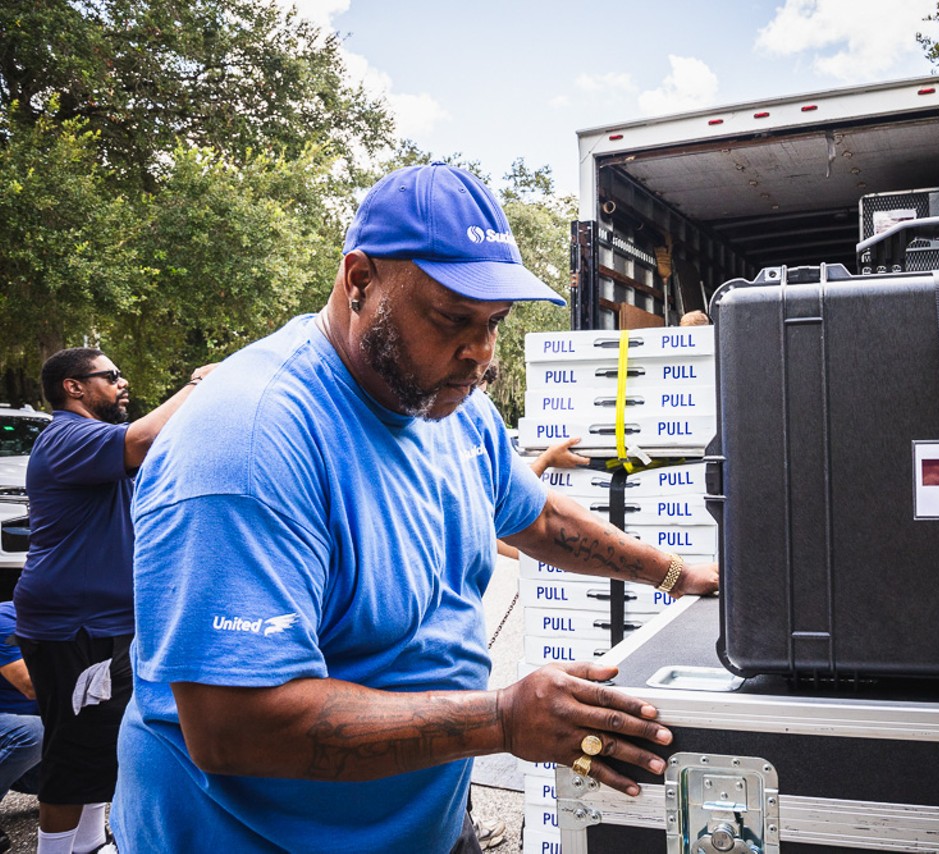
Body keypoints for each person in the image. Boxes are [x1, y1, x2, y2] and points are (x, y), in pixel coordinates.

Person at [111, 162, 718, 853]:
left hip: (424, 821)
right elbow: (236, 726)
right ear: (360, 281)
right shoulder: (249, 441)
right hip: (251, 837)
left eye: (495, 323)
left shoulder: (451, 408)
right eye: (454, 319)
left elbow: (538, 517)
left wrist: (677, 573)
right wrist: (500, 720)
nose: (482, 354)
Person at [14, 349, 215, 854]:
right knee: (75, 752)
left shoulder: (90, 443)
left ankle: (88, 845)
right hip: (76, 624)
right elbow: (144, 440)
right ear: (73, 387)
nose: (122, 382)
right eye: (111, 376)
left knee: (103, 742)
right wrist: (197, 384)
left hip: (100, 621)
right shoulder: (66, 435)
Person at [0, 600, 42, 853]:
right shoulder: (6, 620)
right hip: (8, 725)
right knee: (34, 734)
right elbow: (29, 685)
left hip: (25, 729)